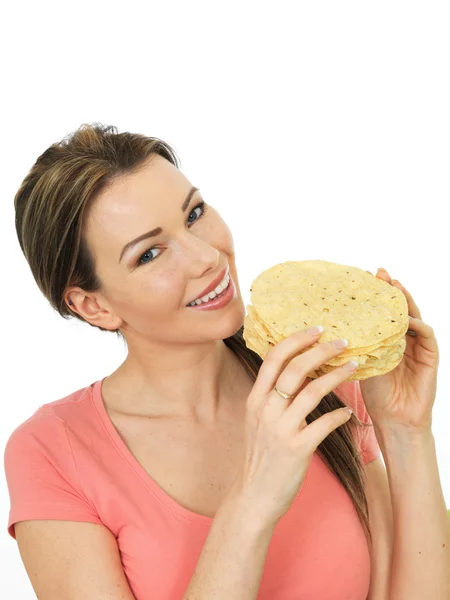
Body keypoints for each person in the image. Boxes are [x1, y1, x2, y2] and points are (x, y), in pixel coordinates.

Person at [4, 123, 381, 599]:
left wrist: (408, 432)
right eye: (151, 253)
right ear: (94, 306)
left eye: (195, 213)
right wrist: (252, 501)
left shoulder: (313, 375)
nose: (206, 257)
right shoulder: (55, 450)